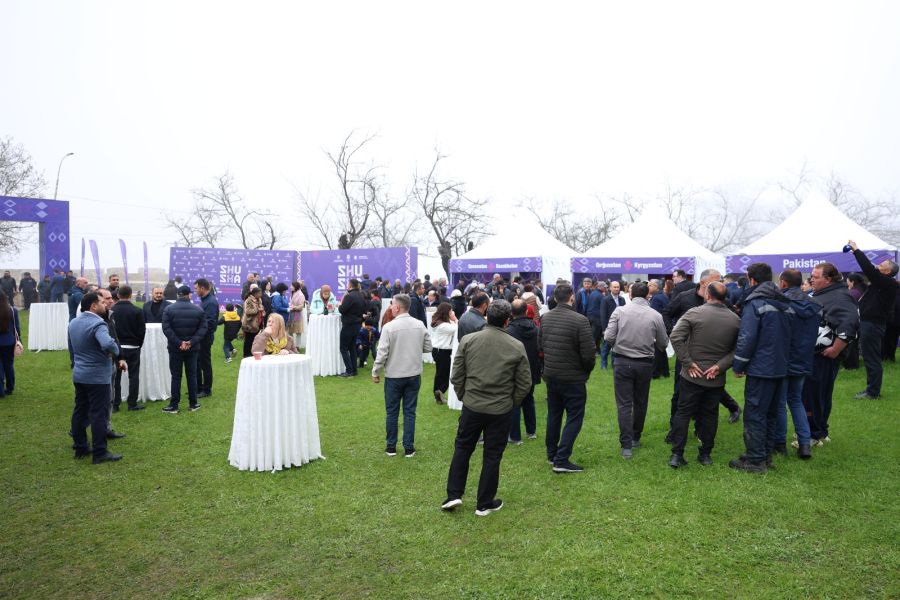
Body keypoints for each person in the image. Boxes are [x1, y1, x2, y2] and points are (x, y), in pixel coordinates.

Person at [441, 300, 531, 516]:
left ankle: (456, 495)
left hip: (481, 405)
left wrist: (467, 397)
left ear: (487, 317)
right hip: (494, 407)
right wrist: (510, 402)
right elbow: (524, 382)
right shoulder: (513, 345)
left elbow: (457, 375)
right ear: (507, 320)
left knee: (464, 448)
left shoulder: (471, 340)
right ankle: (482, 501)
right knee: (491, 454)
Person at [667, 281, 740, 468]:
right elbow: (738, 349)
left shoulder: (694, 313)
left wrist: (688, 362)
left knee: (683, 412)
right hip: (714, 377)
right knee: (710, 414)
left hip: (692, 375)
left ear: (707, 295)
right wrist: (720, 366)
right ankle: (705, 454)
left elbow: (675, 336)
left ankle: (677, 454)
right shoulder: (735, 319)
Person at [729, 263, 793, 473]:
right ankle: (765, 455)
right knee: (771, 413)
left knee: (755, 412)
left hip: (761, 367)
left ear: (752, 279)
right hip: (780, 365)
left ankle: (755, 460)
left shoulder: (755, 302)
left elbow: (747, 337)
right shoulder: (783, 301)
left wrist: (739, 364)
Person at [603, 281, 669, 459]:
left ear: (631, 295)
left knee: (624, 404)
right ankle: (635, 437)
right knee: (640, 402)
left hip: (622, 361)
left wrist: (619, 342)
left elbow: (608, 337)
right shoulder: (655, 315)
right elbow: (663, 343)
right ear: (648, 295)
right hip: (644, 364)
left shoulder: (620, 311)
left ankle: (627, 444)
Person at [539, 283, 596, 473]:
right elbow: (588, 353)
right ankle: (560, 459)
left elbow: (541, 346)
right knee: (574, 417)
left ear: (555, 298)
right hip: (571, 378)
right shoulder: (580, 320)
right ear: (572, 297)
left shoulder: (546, 318)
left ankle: (552, 454)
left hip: (553, 375)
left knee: (554, 414)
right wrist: (585, 371)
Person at [804, 263, 859, 445]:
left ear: (828, 279)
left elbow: (850, 323)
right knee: (819, 395)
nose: (811, 279)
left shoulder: (840, 297)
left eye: (815, 276)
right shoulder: (825, 294)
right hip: (815, 355)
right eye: (812, 276)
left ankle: (813, 434)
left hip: (822, 357)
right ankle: (820, 431)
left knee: (814, 395)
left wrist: (836, 348)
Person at [371, 294, 432, 458]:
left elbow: (382, 353)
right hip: (413, 374)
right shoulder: (419, 324)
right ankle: (408, 448)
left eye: (392, 305)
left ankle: (391, 447)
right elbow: (428, 347)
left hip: (394, 375)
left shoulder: (389, 327)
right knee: (409, 412)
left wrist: (376, 371)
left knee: (392, 412)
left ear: (397, 307)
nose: (390, 307)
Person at [68, 291, 123, 463]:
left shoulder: (74, 322)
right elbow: (107, 343)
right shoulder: (98, 323)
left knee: (80, 411)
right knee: (98, 414)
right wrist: (115, 350)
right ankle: (100, 452)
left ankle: (81, 447)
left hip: (79, 374)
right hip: (97, 377)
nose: (105, 304)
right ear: (93, 306)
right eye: (101, 302)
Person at [777, 269, 820, 460]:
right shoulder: (814, 304)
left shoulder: (781, 303)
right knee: (796, 400)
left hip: (783, 358)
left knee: (780, 402)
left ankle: (780, 443)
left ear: (783, 283)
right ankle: (804, 444)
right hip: (803, 358)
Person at [848, 240, 899, 399]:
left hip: (872, 324)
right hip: (870, 323)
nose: (878, 265)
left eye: (882, 264)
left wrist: (856, 250)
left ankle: (873, 392)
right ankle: (871, 389)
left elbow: (868, 268)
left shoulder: (886, 283)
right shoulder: (883, 283)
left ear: (887, 271)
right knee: (871, 358)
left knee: (872, 359)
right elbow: (870, 269)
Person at [160, 285, 207, 414]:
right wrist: (191, 342)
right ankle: (193, 403)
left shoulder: (168, 309)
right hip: (192, 348)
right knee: (192, 375)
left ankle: (174, 405)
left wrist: (179, 343)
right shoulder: (198, 310)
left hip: (175, 348)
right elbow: (203, 329)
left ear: (178, 295)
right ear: (189, 295)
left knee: (176, 376)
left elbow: (166, 329)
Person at [507, 299, 541, 444]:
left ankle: (515, 436)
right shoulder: (535, 328)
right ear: (526, 311)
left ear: (511, 312)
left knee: (515, 401)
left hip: (516, 370)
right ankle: (531, 431)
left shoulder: (509, 331)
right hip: (531, 369)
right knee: (528, 399)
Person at [110, 285, 146, 412]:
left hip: (117, 347)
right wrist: (138, 344)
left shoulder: (112, 310)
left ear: (118, 295)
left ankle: (115, 404)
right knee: (134, 376)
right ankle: (132, 403)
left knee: (116, 377)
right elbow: (142, 331)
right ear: (131, 295)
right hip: (133, 347)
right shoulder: (137, 310)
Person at [193, 278, 218, 399]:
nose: (195, 291)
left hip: (205, 338)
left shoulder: (210, 302)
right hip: (200, 337)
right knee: (198, 363)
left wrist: (199, 335)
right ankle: (199, 388)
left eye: (196, 288)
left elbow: (210, 323)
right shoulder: (205, 300)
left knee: (205, 364)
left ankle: (207, 390)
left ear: (202, 288)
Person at [338, 278, 368, 377]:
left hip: (349, 324)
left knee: (343, 348)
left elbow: (342, 310)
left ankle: (349, 370)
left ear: (350, 285)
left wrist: (339, 305)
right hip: (357, 324)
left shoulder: (349, 296)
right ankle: (354, 370)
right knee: (352, 348)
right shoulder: (361, 295)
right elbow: (365, 310)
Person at [430, 302, 458, 404]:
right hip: (442, 351)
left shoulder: (440, 322)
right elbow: (458, 327)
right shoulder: (443, 325)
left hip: (439, 350)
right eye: (450, 311)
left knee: (441, 374)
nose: (452, 312)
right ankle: (439, 392)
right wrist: (454, 318)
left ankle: (438, 393)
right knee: (445, 374)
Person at [648, 279, 671, 378]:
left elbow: (654, 315)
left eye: (650, 285)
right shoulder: (662, 296)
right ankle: (665, 372)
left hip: (659, 327)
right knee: (661, 349)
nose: (648, 287)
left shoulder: (656, 298)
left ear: (656, 287)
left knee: (656, 350)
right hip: (665, 326)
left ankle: (655, 373)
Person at [0, 292, 21, 397]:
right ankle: (10, 387)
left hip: (6, 341)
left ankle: (1, 390)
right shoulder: (12, 310)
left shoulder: (12, 310)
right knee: (8, 365)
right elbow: (17, 328)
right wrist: (19, 340)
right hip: (9, 342)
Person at [241, 286, 264, 358]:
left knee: (254, 340)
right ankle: (246, 355)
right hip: (249, 324)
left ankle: (251, 354)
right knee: (248, 340)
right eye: (260, 293)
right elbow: (247, 311)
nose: (261, 294)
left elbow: (262, 309)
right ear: (255, 293)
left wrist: (262, 311)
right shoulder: (248, 300)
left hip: (258, 323)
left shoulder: (259, 300)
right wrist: (258, 310)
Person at [288, 281, 306, 348]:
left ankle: (298, 346)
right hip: (291, 314)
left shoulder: (301, 295)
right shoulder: (293, 293)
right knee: (290, 331)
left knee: (298, 331)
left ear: (295, 286)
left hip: (297, 315)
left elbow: (301, 306)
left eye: (292, 286)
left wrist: (293, 307)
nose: (290, 287)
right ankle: (291, 345)